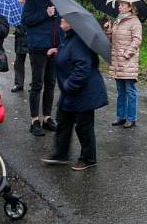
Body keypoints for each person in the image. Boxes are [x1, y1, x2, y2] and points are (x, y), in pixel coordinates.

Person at [41, 15, 108, 170]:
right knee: (63, 122)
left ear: (73, 24)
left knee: (84, 126)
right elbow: (70, 55)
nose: (61, 21)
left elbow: (82, 67)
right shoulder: (70, 38)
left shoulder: (78, 40)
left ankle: (89, 158)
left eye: (64, 19)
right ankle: (60, 154)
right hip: (72, 91)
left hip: (83, 92)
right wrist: (57, 52)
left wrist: (69, 85)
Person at [22, 0, 62, 136]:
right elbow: (25, 20)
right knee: (37, 84)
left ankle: (47, 117)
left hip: (54, 47)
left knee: (51, 84)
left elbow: (60, 22)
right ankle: (34, 121)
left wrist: (61, 43)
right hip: (38, 47)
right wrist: (45, 13)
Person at [105, 1, 142, 129]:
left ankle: (131, 118)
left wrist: (126, 54)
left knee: (130, 90)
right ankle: (121, 116)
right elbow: (113, 41)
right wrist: (109, 31)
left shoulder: (135, 21)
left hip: (128, 61)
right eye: (119, 5)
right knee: (120, 90)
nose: (119, 7)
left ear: (130, 7)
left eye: (122, 5)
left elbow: (137, 40)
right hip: (117, 61)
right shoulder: (117, 20)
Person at [12, 0, 29, 93]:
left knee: (34, 63)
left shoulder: (31, 6)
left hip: (30, 38)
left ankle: (34, 84)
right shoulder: (17, 8)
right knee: (18, 63)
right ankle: (19, 84)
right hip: (19, 38)